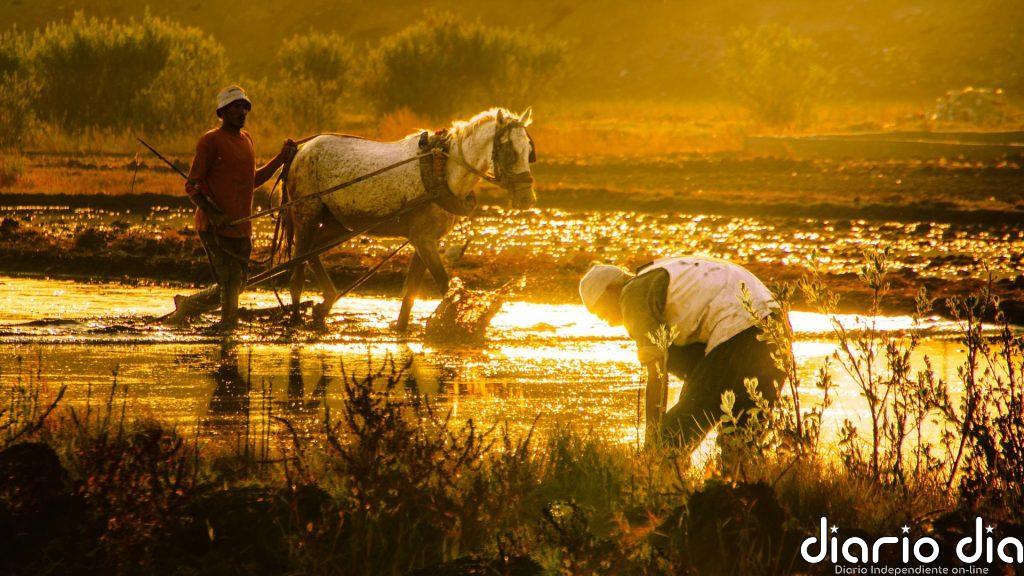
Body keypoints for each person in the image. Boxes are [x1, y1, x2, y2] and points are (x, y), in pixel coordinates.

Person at [579, 255, 787, 450]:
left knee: (669, 440)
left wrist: (652, 438)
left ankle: (658, 472)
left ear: (612, 290)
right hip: (777, 326)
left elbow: (657, 372)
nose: (604, 320)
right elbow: (694, 369)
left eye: (600, 311)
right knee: (742, 441)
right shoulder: (662, 273)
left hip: (740, 326)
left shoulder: (632, 293)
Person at [185, 85, 297, 330]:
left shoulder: (247, 141)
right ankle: (227, 331)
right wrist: (214, 215)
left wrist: (281, 158)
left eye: (245, 107)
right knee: (230, 282)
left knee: (235, 284)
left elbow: (253, 180)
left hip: (240, 228)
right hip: (214, 228)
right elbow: (192, 186)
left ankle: (188, 306)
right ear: (222, 111)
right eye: (236, 106)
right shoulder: (210, 141)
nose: (242, 111)